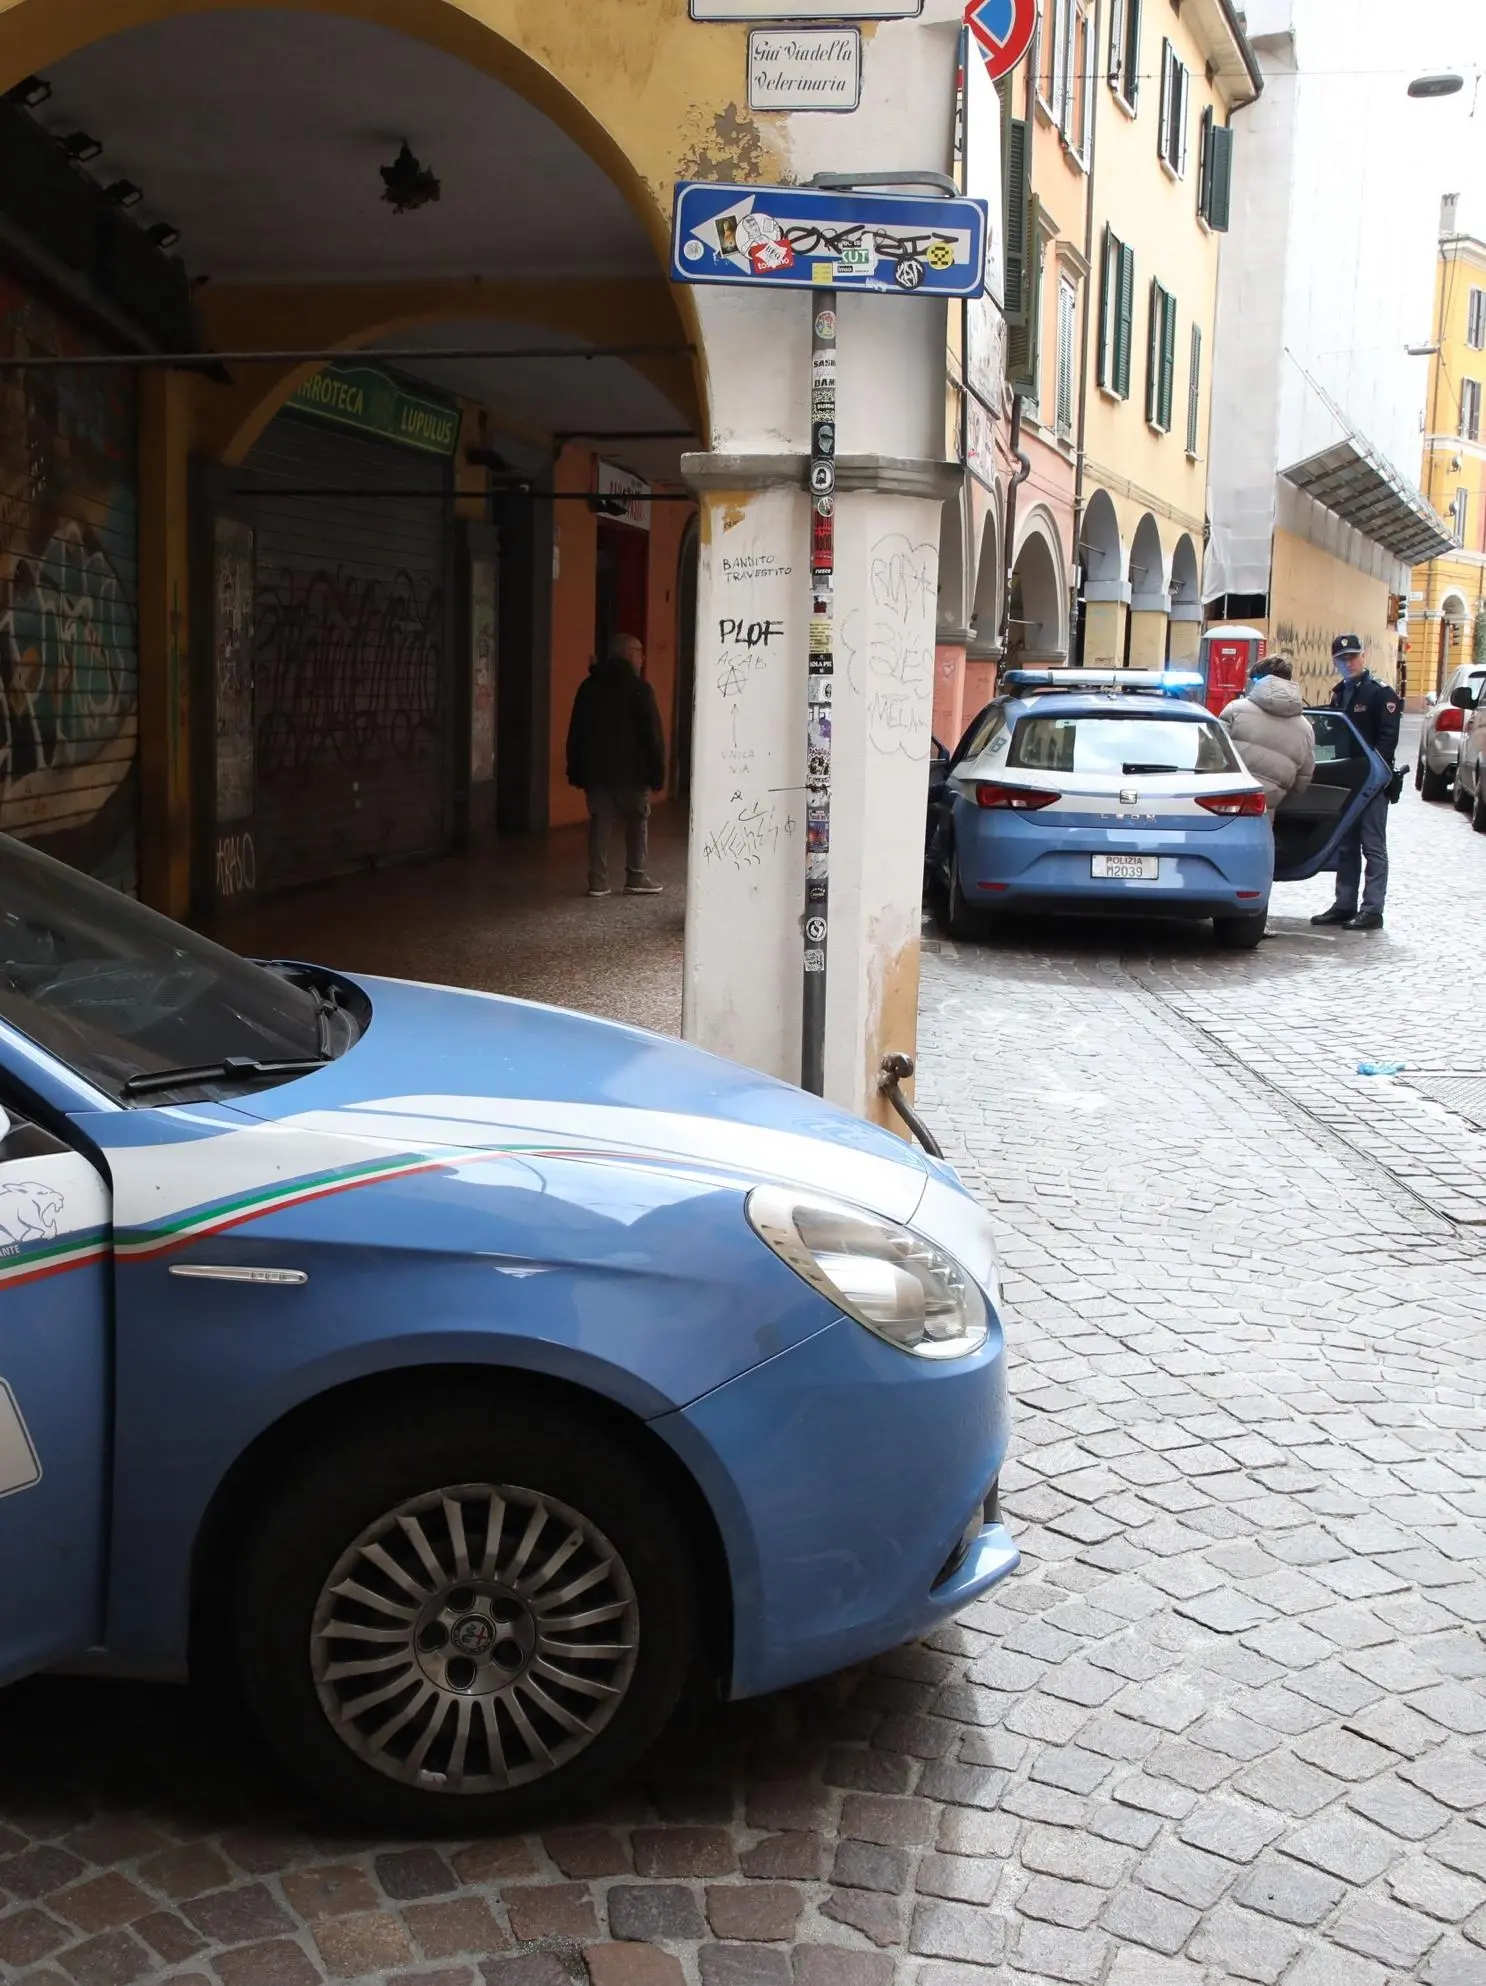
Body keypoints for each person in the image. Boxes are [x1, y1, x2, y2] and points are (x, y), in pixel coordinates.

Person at [1311, 633, 1402, 933]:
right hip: (1347, 780)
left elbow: (1387, 739)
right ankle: (1344, 904)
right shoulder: (1340, 694)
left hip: (1373, 782)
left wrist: (1377, 774)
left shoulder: (1379, 694)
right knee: (1347, 846)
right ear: (1335, 662)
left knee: (1373, 847)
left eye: (1352, 657)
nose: (1348, 663)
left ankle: (1372, 909)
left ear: (1363, 656)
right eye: (1342, 659)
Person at [566, 632, 667, 898]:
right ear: (629, 654)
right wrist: (658, 774)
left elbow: (576, 732)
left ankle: (597, 881)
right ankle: (636, 876)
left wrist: (576, 769)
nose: (643, 658)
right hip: (633, 773)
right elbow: (652, 736)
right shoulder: (639, 688)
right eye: (640, 652)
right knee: (637, 820)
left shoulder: (588, 686)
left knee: (600, 822)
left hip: (597, 773)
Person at [1221, 654, 1315, 811]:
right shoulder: (1306, 728)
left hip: (1223, 804)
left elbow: (1211, 754)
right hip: (1265, 809)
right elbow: (1301, 783)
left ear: (1257, 681)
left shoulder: (1235, 710)